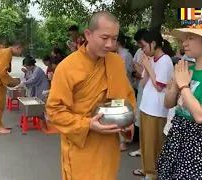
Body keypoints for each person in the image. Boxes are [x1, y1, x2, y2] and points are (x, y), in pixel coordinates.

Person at [46, 11, 136, 180]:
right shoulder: (67, 67)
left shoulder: (116, 62)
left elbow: (127, 97)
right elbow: (54, 111)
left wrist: (128, 120)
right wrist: (88, 124)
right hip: (81, 147)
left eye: (115, 39)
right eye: (104, 38)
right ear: (88, 34)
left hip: (109, 146)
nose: (110, 44)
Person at [157, 19, 202, 179]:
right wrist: (175, 87)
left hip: (201, 144)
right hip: (177, 137)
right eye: (185, 38)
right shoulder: (186, 70)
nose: (185, 42)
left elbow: (201, 116)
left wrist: (183, 86)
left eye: (191, 38)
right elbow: (168, 103)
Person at [132, 29, 175, 179]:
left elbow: (159, 86)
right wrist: (144, 69)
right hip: (146, 107)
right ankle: (146, 169)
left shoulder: (165, 60)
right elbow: (144, 83)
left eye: (144, 46)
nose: (142, 49)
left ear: (153, 44)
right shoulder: (150, 59)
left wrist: (149, 68)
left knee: (153, 144)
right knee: (145, 143)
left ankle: (152, 174)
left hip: (156, 110)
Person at [129, 28, 149, 157]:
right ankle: (143, 149)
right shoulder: (140, 52)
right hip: (142, 90)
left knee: (147, 123)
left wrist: (142, 72)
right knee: (140, 120)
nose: (141, 48)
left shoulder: (161, 59)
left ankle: (146, 151)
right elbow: (135, 69)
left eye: (142, 45)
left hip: (150, 93)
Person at [15, 56, 50, 129]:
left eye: (27, 67)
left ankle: (46, 120)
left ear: (31, 65)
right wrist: (25, 72)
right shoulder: (32, 69)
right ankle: (44, 119)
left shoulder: (37, 70)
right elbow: (30, 77)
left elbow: (33, 80)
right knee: (39, 104)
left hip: (42, 88)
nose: (26, 68)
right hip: (38, 87)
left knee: (41, 104)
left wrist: (23, 83)